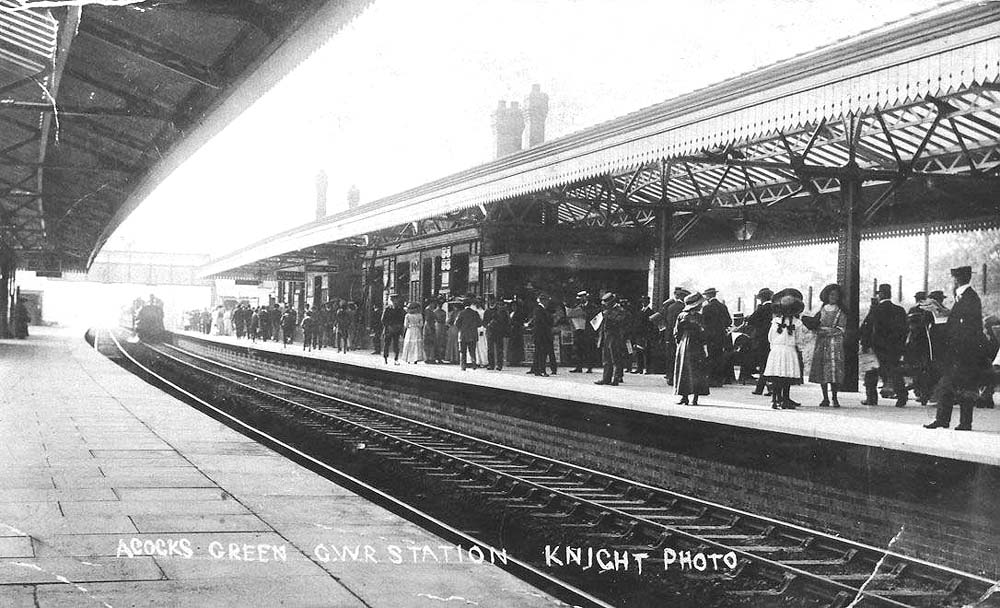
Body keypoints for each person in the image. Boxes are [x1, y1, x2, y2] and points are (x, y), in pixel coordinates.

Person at [926, 266, 989, 430]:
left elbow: (967, 326)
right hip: (960, 351)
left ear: (957, 280)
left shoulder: (968, 297)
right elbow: (961, 320)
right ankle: (948, 420)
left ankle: (960, 422)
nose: (952, 282)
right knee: (949, 385)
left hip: (963, 352)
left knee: (961, 386)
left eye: (953, 279)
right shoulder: (965, 297)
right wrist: (942, 312)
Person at [859, 284, 908, 407]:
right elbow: (905, 330)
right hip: (894, 348)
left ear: (880, 295)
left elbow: (867, 327)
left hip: (876, 347)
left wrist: (864, 343)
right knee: (894, 372)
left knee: (871, 373)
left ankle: (871, 399)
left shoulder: (876, 310)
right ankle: (902, 397)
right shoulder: (900, 310)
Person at [808, 284, 848, 408]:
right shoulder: (821, 309)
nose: (833, 297)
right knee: (822, 369)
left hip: (834, 343)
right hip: (822, 342)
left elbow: (841, 328)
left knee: (834, 370)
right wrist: (816, 329)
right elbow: (815, 324)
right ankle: (825, 398)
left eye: (836, 295)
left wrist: (826, 331)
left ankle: (835, 397)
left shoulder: (841, 311)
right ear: (827, 296)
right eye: (831, 295)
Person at [764, 289, 804, 410]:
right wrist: (799, 350)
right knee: (787, 375)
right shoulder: (797, 323)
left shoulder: (775, 321)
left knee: (777, 375)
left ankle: (775, 400)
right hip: (789, 351)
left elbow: (770, 337)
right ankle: (785, 399)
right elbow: (799, 340)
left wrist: (774, 348)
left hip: (776, 351)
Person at [672, 292, 709, 404]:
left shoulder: (681, 315)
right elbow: (704, 333)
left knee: (684, 371)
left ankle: (684, 397)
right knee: (697, 371)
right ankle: (695, 398)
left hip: (684, 345)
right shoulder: (700, 317)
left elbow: (676, 333)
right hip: (696, 345)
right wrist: (704, 345)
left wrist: (679, 343)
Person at [904, 292, 936, 405]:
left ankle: (918, 390)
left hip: (913, 342)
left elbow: (907, 326)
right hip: (926, 343)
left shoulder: (912, 309)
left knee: (915, 367)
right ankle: (924, 393)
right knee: (925, 368)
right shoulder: (929, 310)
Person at [701, 288, 732, 386]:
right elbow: (729, 321)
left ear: (708, 296)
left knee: (711, 357)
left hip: (710, 336)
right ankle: (719, 380)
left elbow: (703, 322)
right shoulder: (723, 306)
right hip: (721, 336)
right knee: (719, 357)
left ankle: (712, 379)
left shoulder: (706, 308)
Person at [527, 293, 555, 376]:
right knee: (542, 353)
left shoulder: (540, 309)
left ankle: (537, 370)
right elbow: (543, 323)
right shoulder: (539, 309)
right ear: (543, 301)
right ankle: (541, 370)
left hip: (540, 335)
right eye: (546, 300)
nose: (547, 302)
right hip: (542, 335)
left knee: (539, 353)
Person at [567, 291, 595, 373]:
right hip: (578, 330)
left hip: (588, 330)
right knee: (578, 348)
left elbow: (593, 316)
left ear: (586, 297)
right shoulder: (578, 307)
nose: (581, 300)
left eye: (582, 298)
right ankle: (579, 367)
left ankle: (589, 367)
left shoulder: (591, 306)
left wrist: (585, 314)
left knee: (588, 349)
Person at [455, 298, 482, 370]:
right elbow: (480, 324)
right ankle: (474, 363)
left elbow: (456, 324)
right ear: (470, 304)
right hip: (473, 335)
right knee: (472, 351)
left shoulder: (461, 313)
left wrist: (462, 328)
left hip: (463, 335)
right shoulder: (475, 313)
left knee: (463, 352)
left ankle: (463, 366)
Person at [485, 299, 510, 370]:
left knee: (499, 349)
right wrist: (487, 325)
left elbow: (505, 321)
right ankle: (491, 364)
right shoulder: (487, 311)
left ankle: (499, 365)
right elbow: (484, 321)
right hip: (490, 331)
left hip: (498, 332)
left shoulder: (500, 311)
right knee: (490, 349)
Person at [381, 294, 405, 365]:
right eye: (393, 300)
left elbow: (402, 319)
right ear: (391, 301)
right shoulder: (387, 309)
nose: (395, 302)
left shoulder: (400, 309)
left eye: (396, 300)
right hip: (388, 329)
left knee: (396, 344)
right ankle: (385, 358)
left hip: (396, 329)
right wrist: (388, 326)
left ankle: (396, 359)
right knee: (387, 344)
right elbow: (383, 319)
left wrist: (399, 326)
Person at [423, 299, 438, 363]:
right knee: (428, 343)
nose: (434, 305)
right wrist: (429, 329)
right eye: (433, 303)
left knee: (431, 343)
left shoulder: (431, 310)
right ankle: (428, 357)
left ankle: (430, 357)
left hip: (431, 326)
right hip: (428, 327)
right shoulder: (428, 310)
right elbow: (427, 320)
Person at [434, 298, 448, 363]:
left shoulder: (437, 312)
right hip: (439, 326)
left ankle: (440, 356)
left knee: (441, 341)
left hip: (440, 326)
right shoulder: (436, 312)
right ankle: (438, 356)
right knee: (438, 341)